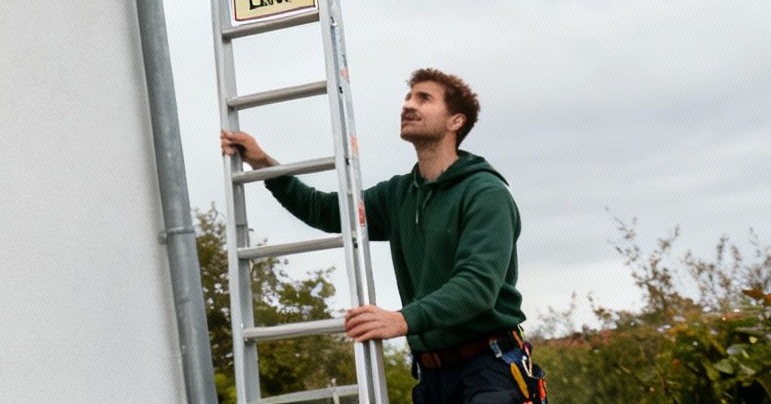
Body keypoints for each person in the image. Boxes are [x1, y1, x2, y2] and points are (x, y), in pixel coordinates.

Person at [222, 69, 544, 403]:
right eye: (408, 96)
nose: (408, 104)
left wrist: (401, 320)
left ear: (455, 121)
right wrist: (264, 165)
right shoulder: (399, 195)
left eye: (424, 98)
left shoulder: (485, 193)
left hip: (488, 369)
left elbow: (476, 288)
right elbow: (328, 212)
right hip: (432, 376)